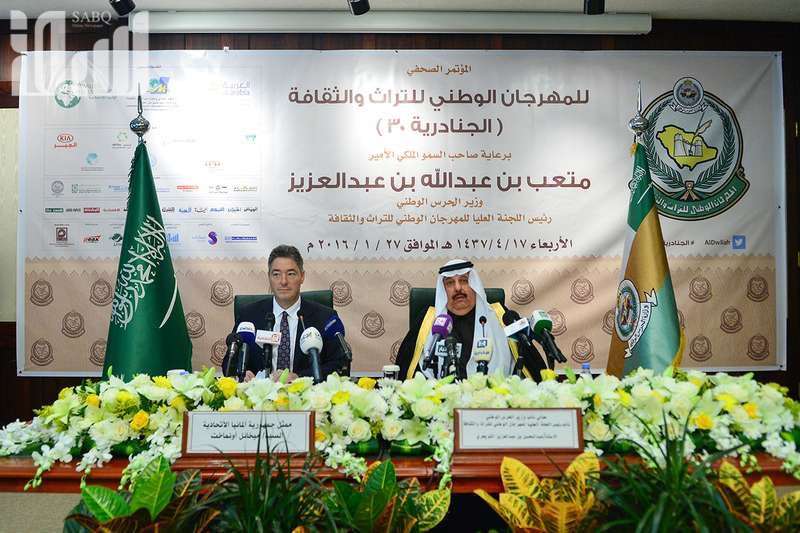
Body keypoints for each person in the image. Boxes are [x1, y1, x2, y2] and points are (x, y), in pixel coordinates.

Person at [395, 259, 547, 380]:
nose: (457, 288)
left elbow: (531, 368)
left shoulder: (500, 316)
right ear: (443, 290)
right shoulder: (428, 320)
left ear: (475, 285)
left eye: (464, 280)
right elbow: (407, 371)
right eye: (450, 283)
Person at [222, 244, 346, 381]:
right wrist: (241, 372)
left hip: (307, 392)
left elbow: (339, 364)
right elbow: (229, 363)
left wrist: (299, 378)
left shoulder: (325, 318)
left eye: (291, 274)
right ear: (269, 277)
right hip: (259, 392)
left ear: (302, 276)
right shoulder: (249, 316)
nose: (283, 281)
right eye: (276, 274)